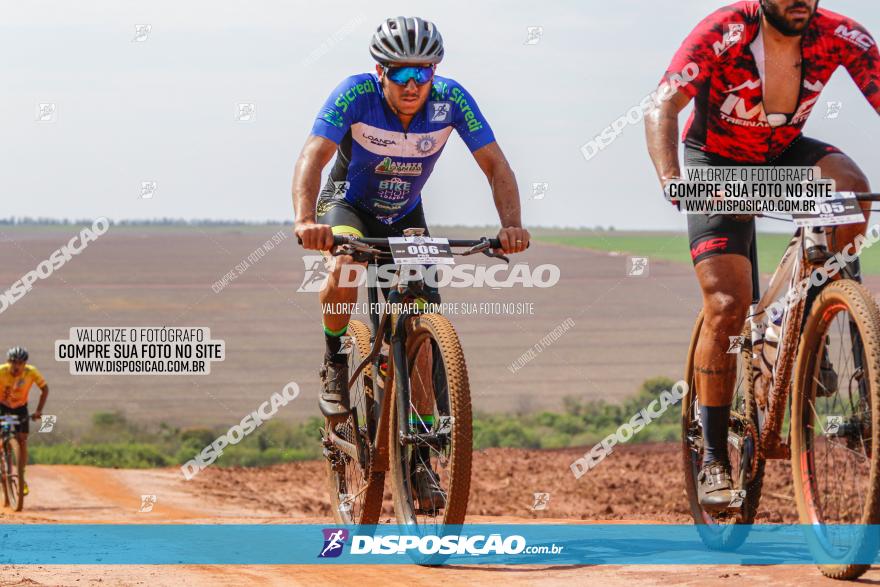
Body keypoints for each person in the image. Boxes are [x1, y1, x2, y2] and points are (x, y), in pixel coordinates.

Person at [646, 0, 880, 511]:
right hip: (716, 163)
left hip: (782, 152)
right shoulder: (723, 31)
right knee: (728, 306)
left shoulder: (842, 35)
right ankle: (713, 458)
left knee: (853, 189)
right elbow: (662, 105)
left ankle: (840, 360)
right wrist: (672, 181)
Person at [292, 16, 529, 508]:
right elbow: (312, 158)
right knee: (347, 267)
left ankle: (420, 462)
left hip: (404, 214)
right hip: (349, 205)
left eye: (424, 73)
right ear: (380, 71)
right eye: (400, 74)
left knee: (420, 325)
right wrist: (303, 220)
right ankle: (336, 359)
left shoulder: (452, 100)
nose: (413, 85)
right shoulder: (355, 93)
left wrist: (511, 225)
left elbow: (496, 166)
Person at [0, 347, 49, 496]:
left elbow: (45, 389)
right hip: (2, 406)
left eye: (20, 363)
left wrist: (39, 410)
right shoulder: (1, 371)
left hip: (20, 407)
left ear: (25, 363)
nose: (16, 366)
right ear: (8, 362)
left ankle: (21, 476)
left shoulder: (31, 372)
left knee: (22, 440)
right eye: (13, 362)